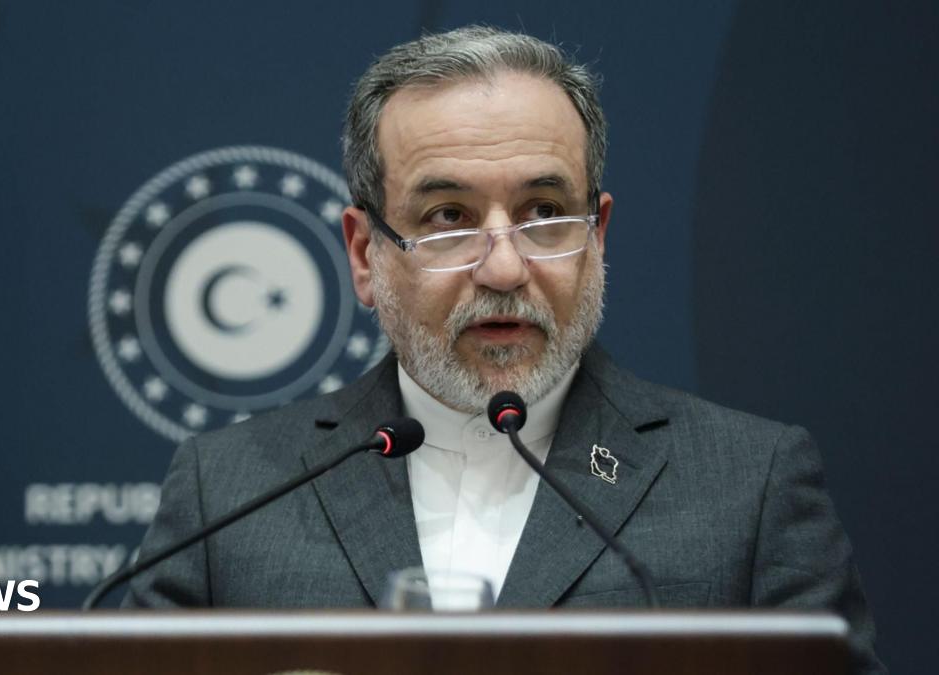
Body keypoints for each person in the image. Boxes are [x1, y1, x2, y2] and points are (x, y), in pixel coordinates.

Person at [127, 26, 882, 673]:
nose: (503, 267)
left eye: (545, 213)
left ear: (597, 239)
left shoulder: (750, 487)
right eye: (449, 216)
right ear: (364, 254)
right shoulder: (225, 495)